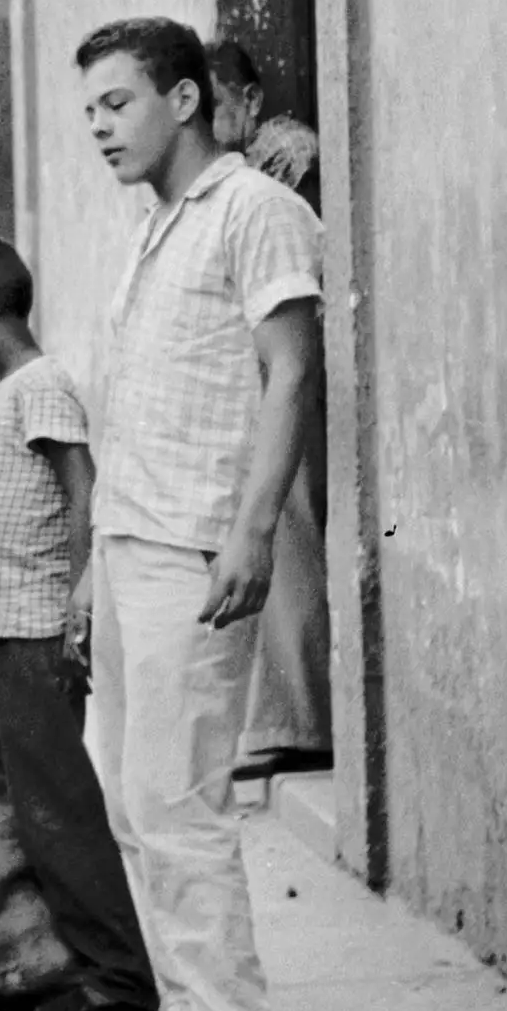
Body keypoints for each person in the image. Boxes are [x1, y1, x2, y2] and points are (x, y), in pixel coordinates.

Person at [74, 15, 322, 1011]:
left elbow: (288, 373)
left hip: (196, 548)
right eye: (88, 110)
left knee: (178, 800)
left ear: (181, 99)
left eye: (116, 103)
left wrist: (255, 532)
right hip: (131, 542)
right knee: (133, 796)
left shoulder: (256, 212)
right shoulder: (150, 228)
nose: (99, 128)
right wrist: (91, 567)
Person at [0, 234, 160, 1011]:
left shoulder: (41, 387)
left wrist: (82, 601)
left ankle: (118, 975)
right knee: (14, 809)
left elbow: (83, 495)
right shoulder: (4, 393)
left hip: (32, 635)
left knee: (58, 807)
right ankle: (35, 956)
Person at [203, 44, 335, 778]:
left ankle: (302, 722)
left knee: (289, 532)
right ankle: (282, 719)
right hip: (260, 373)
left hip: (290, 366)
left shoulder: (282, 160)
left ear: (249, 101)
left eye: (219, 102)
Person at [204, 40, 321, 203]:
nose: (200, 121)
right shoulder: (223, 164)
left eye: (209, 105)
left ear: (252, 100)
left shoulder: (286, 150)